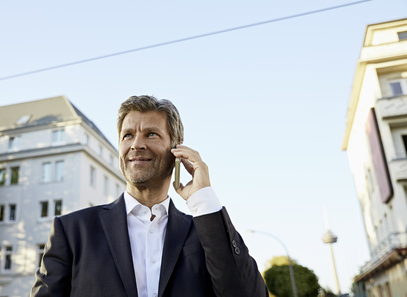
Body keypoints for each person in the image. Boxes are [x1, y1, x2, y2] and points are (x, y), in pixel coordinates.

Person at [30, 95, 268, 297]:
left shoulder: (204, 232)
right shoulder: (72, 231)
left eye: (151, 134)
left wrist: (203, 198)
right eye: (128, 135)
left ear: (177, 149)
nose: (136, 144)